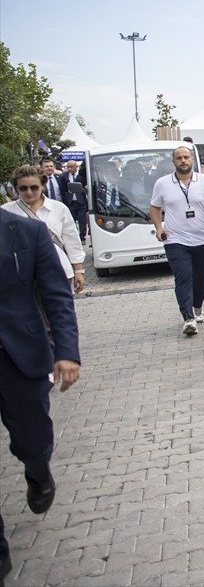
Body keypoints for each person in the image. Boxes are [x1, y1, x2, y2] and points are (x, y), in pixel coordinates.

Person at [0, 212, 81, 583]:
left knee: (31, 440)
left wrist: (66, 351)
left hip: (20, 356)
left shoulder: (27, 232)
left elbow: (56, 295)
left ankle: (37, 470)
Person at [150, 146, 204, 336]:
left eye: (186, 157)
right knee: (183, 277)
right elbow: (155, 208)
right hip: (175, 239)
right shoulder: (162, 183)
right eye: (179, 158)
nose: (183, 161)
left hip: (202, 237)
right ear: (173, 162)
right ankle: (188, 318)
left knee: (199, 276)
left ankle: (197, 307)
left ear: (192, 160)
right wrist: (159, 227)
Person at [2, 165, 86, 294]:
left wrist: (78, 271)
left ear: (43, 186)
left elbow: (72, 241)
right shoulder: (6, 212)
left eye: (34, 187)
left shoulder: (59, 209)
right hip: (20, 278)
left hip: (58, 273)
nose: (29, 192)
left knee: (59, 313)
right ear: (16, 188)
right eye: (23, 188)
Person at [58, 160, 88, 242]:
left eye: (71, 167)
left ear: (76, 167)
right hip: (71, 202)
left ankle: (82, 237)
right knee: (71, 221)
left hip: (81, 201)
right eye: (68, 167)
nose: (69, 168)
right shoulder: (64, 176)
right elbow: (63, 189)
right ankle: (73, 238)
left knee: (82, 221)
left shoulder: (82, 175)